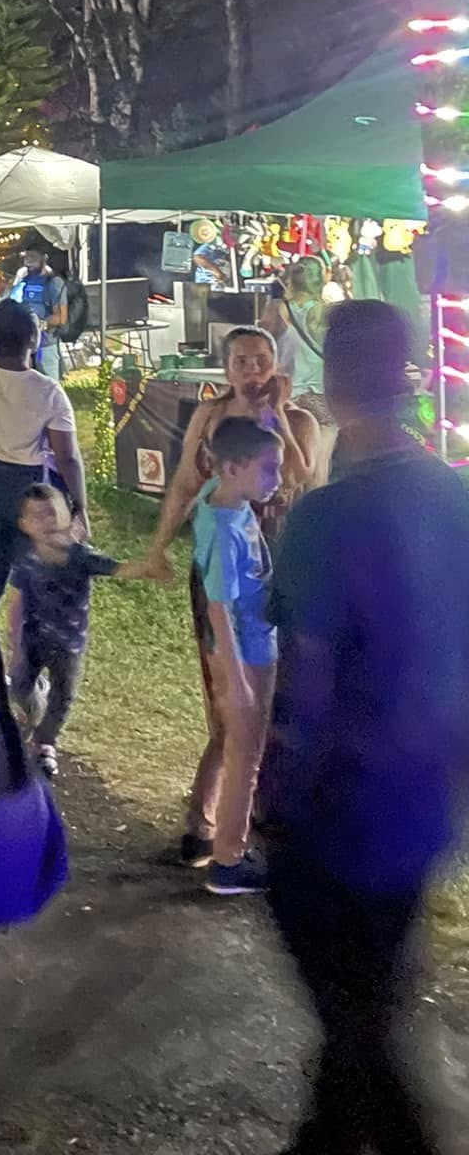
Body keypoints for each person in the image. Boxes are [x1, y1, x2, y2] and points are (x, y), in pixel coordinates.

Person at [264, 301, 469, 1155]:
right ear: (409, 374)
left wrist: (277, 794)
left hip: (341, 808)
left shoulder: (324, 519)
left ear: (335, 383)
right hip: (425, 796)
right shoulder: (453, 493)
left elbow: (305, 678)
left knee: (360, 1025)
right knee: (367, 1002)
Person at [142, 325, 320, 866]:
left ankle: (253, 818)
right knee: (228, 701)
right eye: (241, 360)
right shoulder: (210, 416)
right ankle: (206, 825)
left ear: (275, 363)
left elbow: (305, 479)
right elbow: (183, 484)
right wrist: (158, 548)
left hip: (275, 571)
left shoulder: (300, 420)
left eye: (261, 359)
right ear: (226, 368)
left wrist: (279, 419)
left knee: (274, 700)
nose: (252, 369)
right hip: (220, 575)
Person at [0, 298, 87, 639]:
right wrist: (79, 508)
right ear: (33, 339)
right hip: (31, 492)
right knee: (34, 588)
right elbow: (68, 458)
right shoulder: (49, 392)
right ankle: (28, 661)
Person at [189, 416, 281, 896]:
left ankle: (199, 828)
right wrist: (240, 679)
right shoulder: (224, 529)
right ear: (231, 468)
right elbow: (218, 606)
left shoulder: (219, 496)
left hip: (239, 649)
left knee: (227, 739)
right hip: (245, 652)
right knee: (246, 756)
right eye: (268, 469)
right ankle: (228, 859)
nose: (277, 479)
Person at [10, 484, 144, 779]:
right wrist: (15, 642)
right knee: (19, 686)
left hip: (69, 645)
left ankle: (45, 743)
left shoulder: (80, 556)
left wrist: (149, 568)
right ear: (24, 524)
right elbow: (17, 602)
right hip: (32, 639)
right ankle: (34, 702)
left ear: (67, 516)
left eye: (51, 513)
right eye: (37, 516)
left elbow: (117, 568)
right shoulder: (26, 557)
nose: (46, 521)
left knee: (63, 698)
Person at [262, 256, 330, 418]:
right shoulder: (325, 311)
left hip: (289, 392)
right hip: (321, 391)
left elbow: (263, 341)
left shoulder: (278, 308)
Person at [6, 244, 68, 381]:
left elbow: (61, 318)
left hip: (45, 346)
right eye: (26, 258)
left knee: (49, 386)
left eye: (33, 257)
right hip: (25, 346)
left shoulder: (54, 282)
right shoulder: (24, 280)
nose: (28, 262)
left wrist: (40, 324)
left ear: (44, 258)